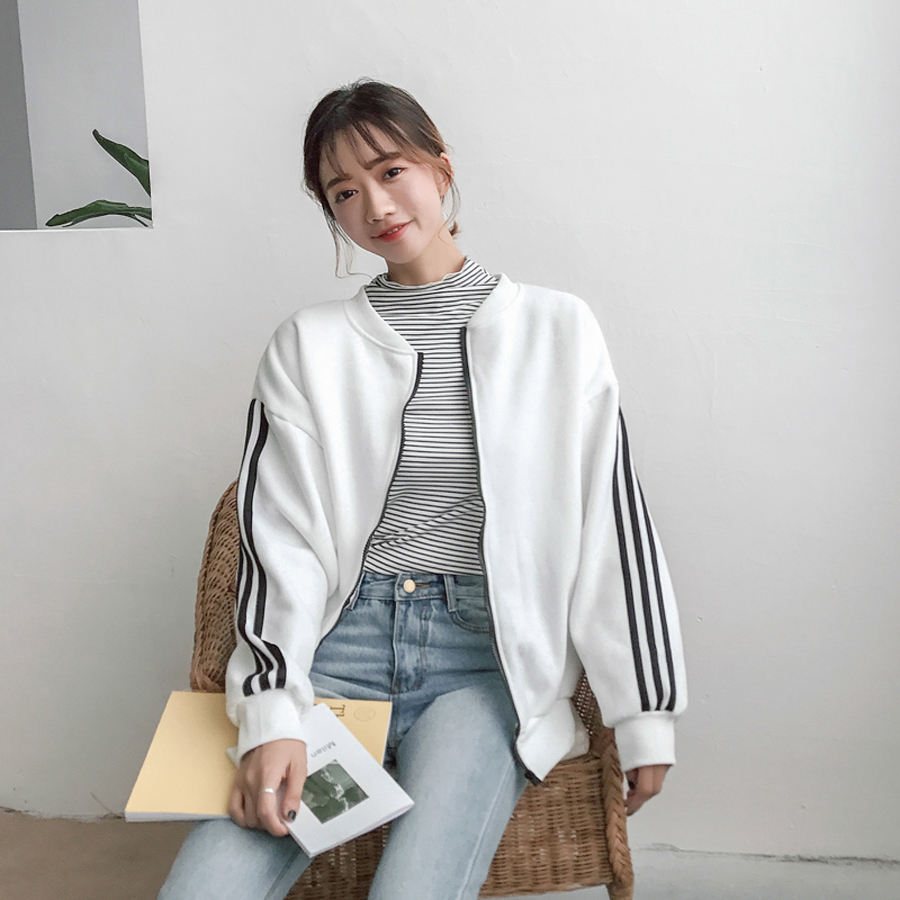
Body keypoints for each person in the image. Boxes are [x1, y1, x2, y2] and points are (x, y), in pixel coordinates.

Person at [158, 79, 687, 900]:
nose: (374, 205)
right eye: (343, 192)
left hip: (485, 668)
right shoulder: (308, 346)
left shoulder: (557, 329)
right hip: (339, 657)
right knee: (204, 890)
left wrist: (643, 714)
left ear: (441, 166)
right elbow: (278, 542)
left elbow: (611, 529)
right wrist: (272, 713)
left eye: (391, 171)